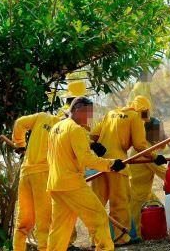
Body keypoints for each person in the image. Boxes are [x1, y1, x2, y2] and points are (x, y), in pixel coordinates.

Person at [46, 97, 125, 251]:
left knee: (59, 229)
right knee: (99, 217)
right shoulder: (75, 129)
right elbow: (86, 158)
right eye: (88, 113)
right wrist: (111, 164)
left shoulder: (56, 128)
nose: (90, 117)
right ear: (77, 109)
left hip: (56, 184)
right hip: (72, 184)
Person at [90, 96, 166, 245]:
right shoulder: (135, 116)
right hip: (118, 164)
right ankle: (121, 239)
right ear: (144, 111)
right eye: (145, 115)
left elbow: (92, 136)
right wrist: (155, 156)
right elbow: (139, 145)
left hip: (99, 164)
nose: (145, 120)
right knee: (120, 204)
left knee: (97, 205)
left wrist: (94, 146)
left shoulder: (110, 113)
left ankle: (96, 241)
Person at [11, 111, 61, 251]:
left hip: (26, 173)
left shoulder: (42, 117)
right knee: (45, 221)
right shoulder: (66, 126)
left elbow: (19, 123)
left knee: (24, 221)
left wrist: (20, 144)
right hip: (44, 175)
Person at [129, 119, 167, 241]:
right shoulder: (145, 150)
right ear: (148, 131)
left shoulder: (145, 143)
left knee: (158, 208)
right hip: (137, 193)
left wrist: (163, 135)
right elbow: (162, 171)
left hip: (145, 191)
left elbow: (163, 145)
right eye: (158, 130)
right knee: (134, 229)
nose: (160, 133)